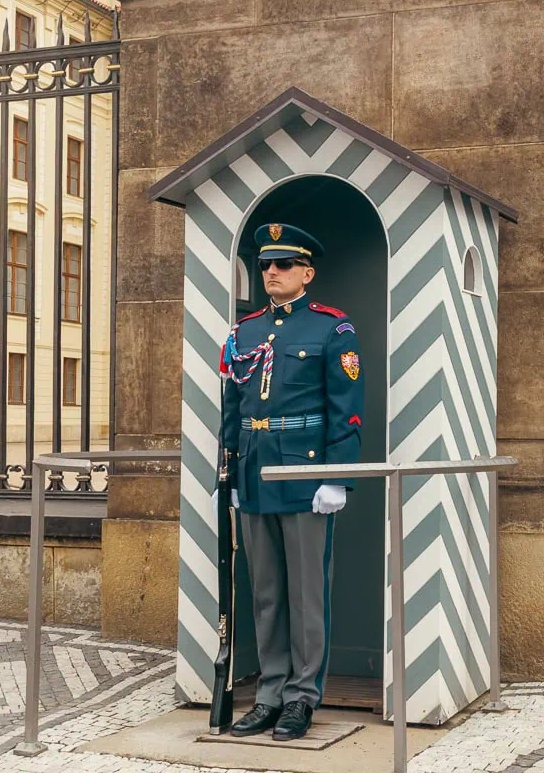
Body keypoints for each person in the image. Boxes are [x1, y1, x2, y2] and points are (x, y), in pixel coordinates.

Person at [217, 224, 363, 741]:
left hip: (305, 474)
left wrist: (336, 477)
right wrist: (231, 472)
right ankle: (270, 693)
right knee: (266, 594)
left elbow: (346, 409)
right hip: (256, 471)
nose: (271, 272)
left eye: (283, 264)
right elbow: (233, 407)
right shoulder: (244, 332)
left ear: (307, 272)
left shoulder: (332, 329)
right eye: (265, 265)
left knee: (306, 594)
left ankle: (302, 696)